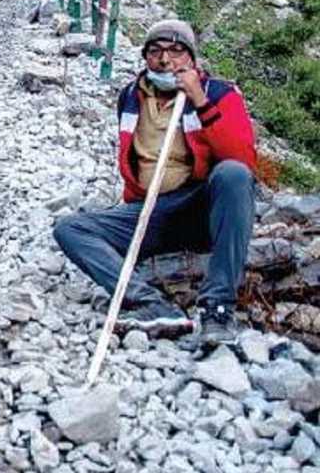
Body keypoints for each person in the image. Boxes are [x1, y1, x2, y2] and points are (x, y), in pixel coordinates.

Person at [53, 20, 256, 347]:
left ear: (190, 58)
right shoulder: (131, 96)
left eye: (176, 51)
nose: (165, 60)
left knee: (233, 173)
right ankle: (148, 301)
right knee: (70, 229)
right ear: (145, 57)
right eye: (156, 51)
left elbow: (241, 157)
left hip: (197, 206)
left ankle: (218, 307)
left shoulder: (219, 93)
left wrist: (199, 101)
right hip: (149, 212)